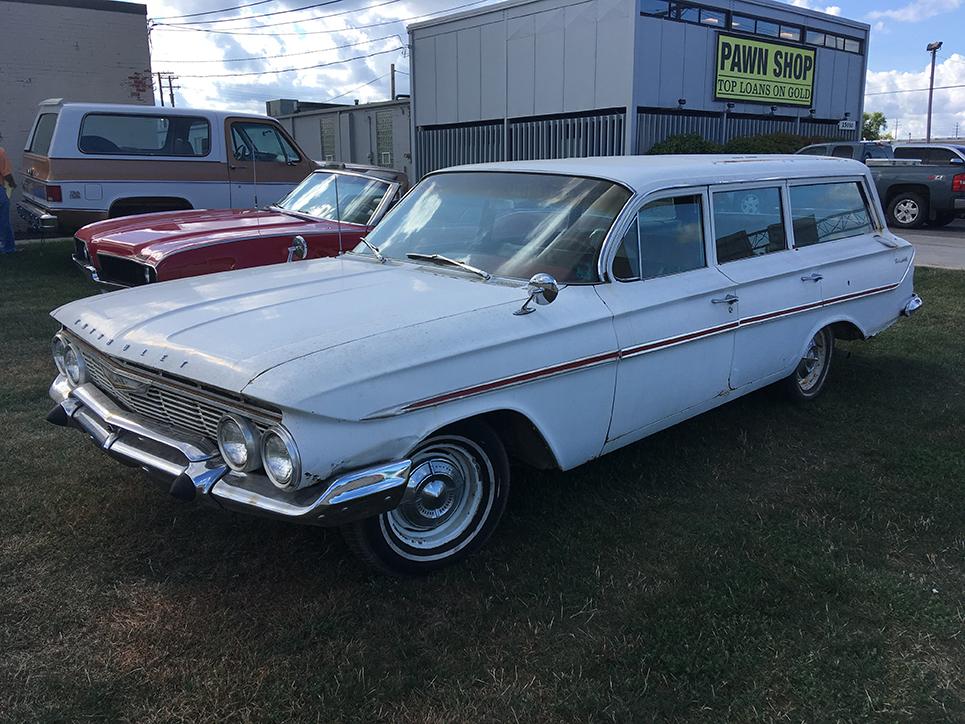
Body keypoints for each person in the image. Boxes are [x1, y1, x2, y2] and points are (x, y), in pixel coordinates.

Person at [0, 142, 16, 254]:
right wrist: (13, 184)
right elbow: (6, 173)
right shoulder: (0, 152)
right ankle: (8, 248)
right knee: (4, 220)